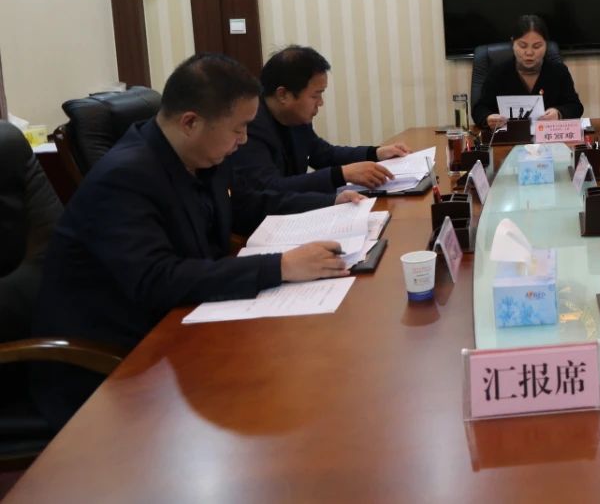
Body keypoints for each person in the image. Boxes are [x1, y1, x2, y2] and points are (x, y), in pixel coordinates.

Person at [32, 53, 360, 427]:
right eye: (239, 129)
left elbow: (245, 207)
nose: (244, 140)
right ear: (190, 122)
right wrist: (280, 266)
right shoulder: (124, 177)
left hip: (179, 329)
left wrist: (329, 205)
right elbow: (158, 279)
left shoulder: (199, 157)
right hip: (111, 366)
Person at [232, 46, 409, 221]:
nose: (321, 102)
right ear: (283, 95)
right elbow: (270, 187)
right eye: (315, 95)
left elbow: (324, 154)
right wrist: (341, 174)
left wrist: (375, 153)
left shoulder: (295, 118)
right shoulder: (249, 128)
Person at [472, 15, 583, 129]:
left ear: (546, 45)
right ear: (513, 43)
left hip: (547, 137)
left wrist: (559, 113)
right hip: (508, 137)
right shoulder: (498, 72)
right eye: (523, 46)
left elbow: (575, 107)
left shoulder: (558, 71)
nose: (529, 52)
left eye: (537, 46)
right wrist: (488, 118)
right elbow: (479, 109)